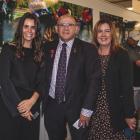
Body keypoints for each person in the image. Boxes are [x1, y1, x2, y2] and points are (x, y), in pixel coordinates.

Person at [43, 14, 101, 140]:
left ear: (77, 29)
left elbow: (94, 81)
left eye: (70, 24)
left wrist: (86, 110)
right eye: (62, 25)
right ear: (56, 28)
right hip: (53, 106)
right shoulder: (47, 47)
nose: (66, 28)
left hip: (78, 108)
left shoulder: (88, 49)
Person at [88, 19, 136, 140]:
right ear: (95, 34)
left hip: (115, 111)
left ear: (112, 34)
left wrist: (129, 114)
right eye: (100, 31)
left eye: (107, 31)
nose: (103, 35)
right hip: (93, 112)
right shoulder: (90, 54)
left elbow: (127, 88)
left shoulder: (121, 55)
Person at [0, 12, 45, 140]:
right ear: (21, 28)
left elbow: (42, 81)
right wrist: (22, 108)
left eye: (33, 27)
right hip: (10, 104)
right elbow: (4, 81)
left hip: (32, 105)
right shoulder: (8, 49)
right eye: (26, 26)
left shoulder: (40, 54)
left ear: (37, 30)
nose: (29, 30)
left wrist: (32, 101)